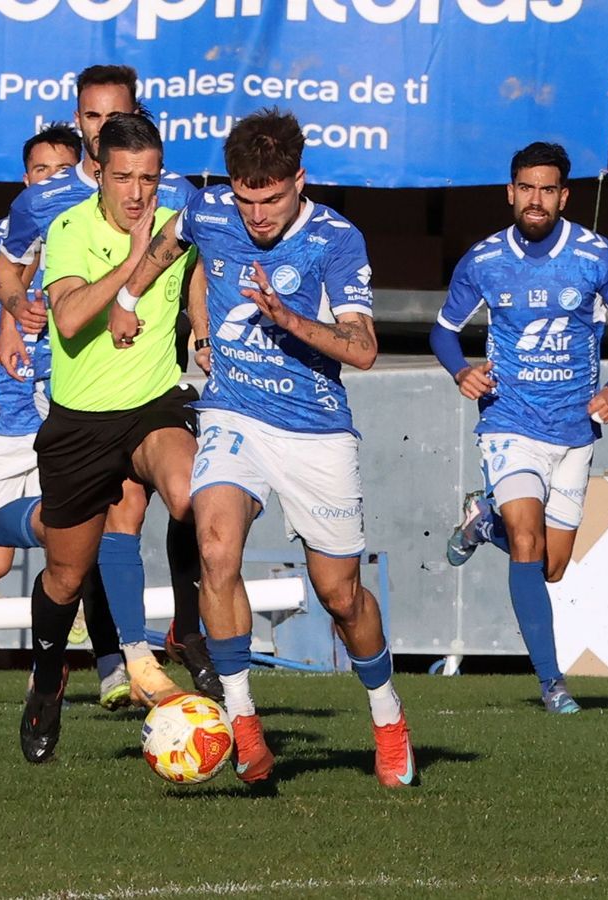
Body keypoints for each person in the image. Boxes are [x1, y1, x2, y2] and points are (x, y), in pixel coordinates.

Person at [113, 108, 415, 788]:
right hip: (233, 413)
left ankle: (387, 713)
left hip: (314, 429)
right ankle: (243, 723)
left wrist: (290, 320)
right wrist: (129, 296)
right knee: (214, 548)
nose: (257, 215)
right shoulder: (211, 212)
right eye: (246, 199)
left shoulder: (335, 240)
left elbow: (364, 350)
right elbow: (168, 242)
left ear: (298, 181)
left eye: (271, 199)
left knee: (341, 596)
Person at [0, 64, 219, 700]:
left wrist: (202, 332)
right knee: (66, 568)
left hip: (152, 393)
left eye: (108, 117)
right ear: (80, 120)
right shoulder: (51, 206)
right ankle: (50, 678)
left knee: (184, 497)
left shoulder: (175, 200)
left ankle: (156, 647)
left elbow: (193, 267)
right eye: (88, 117)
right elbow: (7, 272)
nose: (96, 130)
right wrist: (15, 312)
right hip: (76, 398)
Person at [430, 141, 608, 715]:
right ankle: (553, 684)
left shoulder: (597, 255)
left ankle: (484, 521)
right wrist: (461, 370)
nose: (536, 200)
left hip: (574, 429)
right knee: (528, 542)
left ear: (564, 195)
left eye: (547, 189)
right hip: (509, 422)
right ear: (510, 193)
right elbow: (442, 331)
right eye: (525, 188)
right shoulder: (483, 260)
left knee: (549, 567)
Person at [0, 124, 132, 709]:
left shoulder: (90, 241)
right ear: (26, 181)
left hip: (59, 421)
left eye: (65, 170)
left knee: (83, 537)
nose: (54, 181)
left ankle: (106, 666)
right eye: (43, 171)